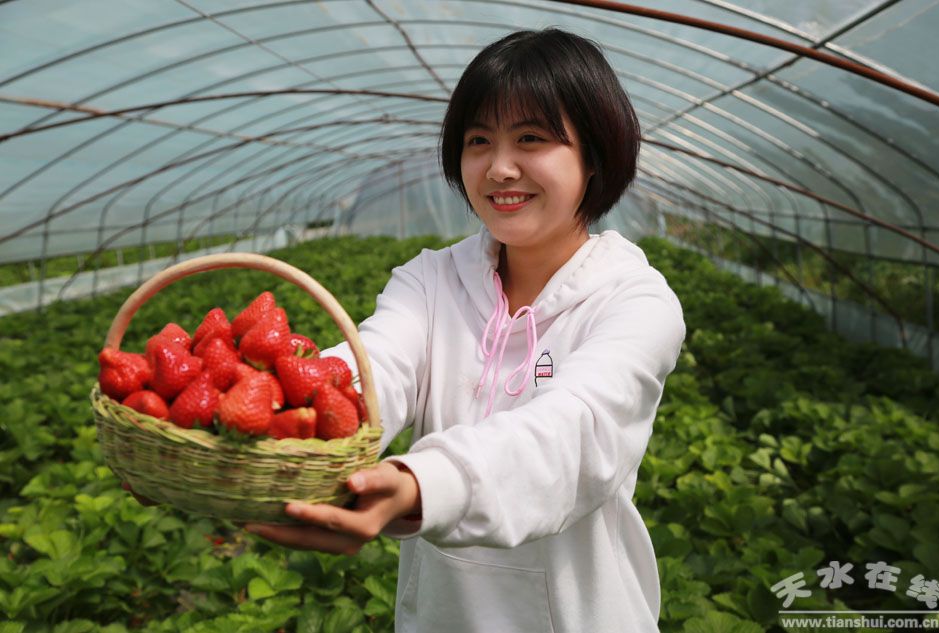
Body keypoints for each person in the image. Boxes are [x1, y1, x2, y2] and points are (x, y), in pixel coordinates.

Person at [246, 28, 686, 633]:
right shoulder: (430, 281)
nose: (500, 168)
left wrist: (417, 483)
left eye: (531, 139)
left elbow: (572, 435)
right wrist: (262, 422)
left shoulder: (635, 302)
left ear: (594, 155)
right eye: (479, 141)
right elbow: (372, 371)